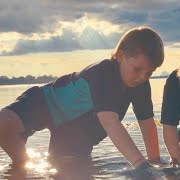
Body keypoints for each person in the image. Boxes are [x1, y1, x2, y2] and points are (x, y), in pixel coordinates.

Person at [0, 26, 164, 170]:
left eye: (149, 72)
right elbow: (110, 122)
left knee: (70, 170)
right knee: (3, 122)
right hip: (44, 103)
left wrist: (155, 161)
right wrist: (140, 164)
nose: (143, 77)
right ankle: (22, 163)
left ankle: (23, 172)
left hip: (77, 131)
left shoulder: (141, 84)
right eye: (137, 69)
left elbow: (147, 122)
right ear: (120, 56)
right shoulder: (103, 73)